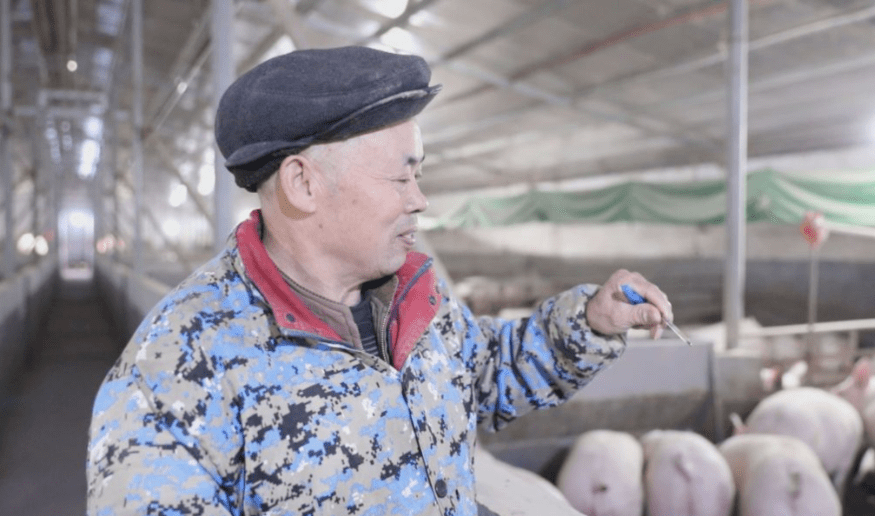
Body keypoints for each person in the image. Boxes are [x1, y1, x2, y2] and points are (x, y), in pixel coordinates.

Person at [86, 46, 674, 515]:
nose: (419, 199)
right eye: (401, 178)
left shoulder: (414, 300)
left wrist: (590, 322)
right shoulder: (182, 361)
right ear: (303, 184)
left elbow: (486, 375)